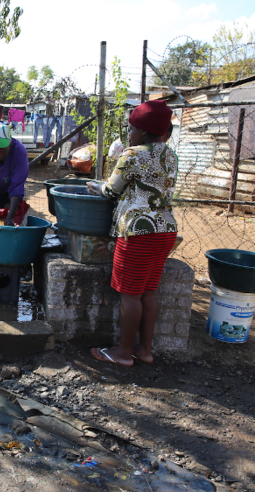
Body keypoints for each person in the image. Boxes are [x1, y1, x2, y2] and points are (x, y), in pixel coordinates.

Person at [87, 100, 178, 367]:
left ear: (144, 131)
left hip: (139, 232)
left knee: (130, 295)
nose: (129, 134)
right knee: (148, 293)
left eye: (131, 128)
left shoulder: (133, 154)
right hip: (165, 230)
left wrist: (94, 186)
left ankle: (123, 354)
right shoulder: (170, 155)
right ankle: (144, 351)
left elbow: (111, 191)